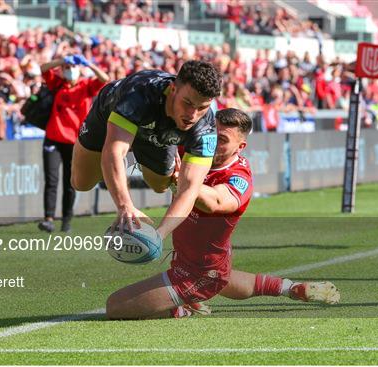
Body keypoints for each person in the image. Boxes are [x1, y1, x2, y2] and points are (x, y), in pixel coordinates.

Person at [106, 108, 340, 319]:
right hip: (209, 263)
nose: (213, 143)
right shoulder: (198, 151)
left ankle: (181, 307)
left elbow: (216, 201)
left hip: (197, 273)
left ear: (240, 147)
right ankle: (289, 287)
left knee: (114, 306)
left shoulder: (239, 177)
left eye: (223, 140)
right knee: (223, 279)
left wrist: (184, 180)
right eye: (211, 135)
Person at [71, 60, 222, 240]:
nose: (192, 115)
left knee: (160, 186)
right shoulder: (139, 94)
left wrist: (160, 235)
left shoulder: (206, 127)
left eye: (202, 108)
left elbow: (189, 189)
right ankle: (128, 149)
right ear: (173, 89)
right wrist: (124, 206)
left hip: (157, 134)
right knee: (81, 183)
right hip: (109, 116)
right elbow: (114, 151)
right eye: (188, 103)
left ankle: (142, 150)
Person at [38, 54, 109, 232]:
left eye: (72, 68)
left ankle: (66, 219)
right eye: (67, 69)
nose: (70, 71)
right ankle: (48, 218)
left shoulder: (86, 86)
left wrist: (88, 63)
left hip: (74, 141)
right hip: (53, 138)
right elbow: (43, 68)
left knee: (70, 182)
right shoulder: (57, 83)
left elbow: (105, 79)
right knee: (51, 180)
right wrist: (62, 61)